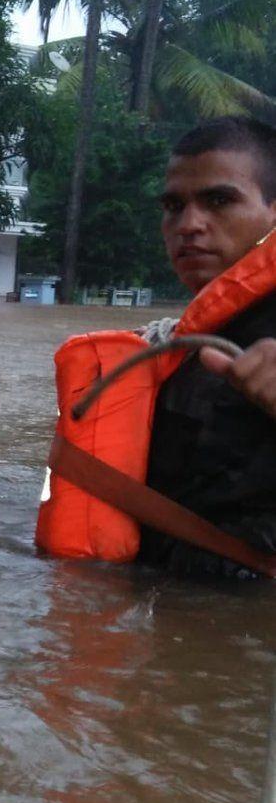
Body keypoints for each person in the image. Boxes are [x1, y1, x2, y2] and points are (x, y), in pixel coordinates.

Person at [37, 116, 276, 576]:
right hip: (159, 605)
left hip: (238, 618)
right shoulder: (178, 341)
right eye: (173, 206)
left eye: (219, 200)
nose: (189, 225)